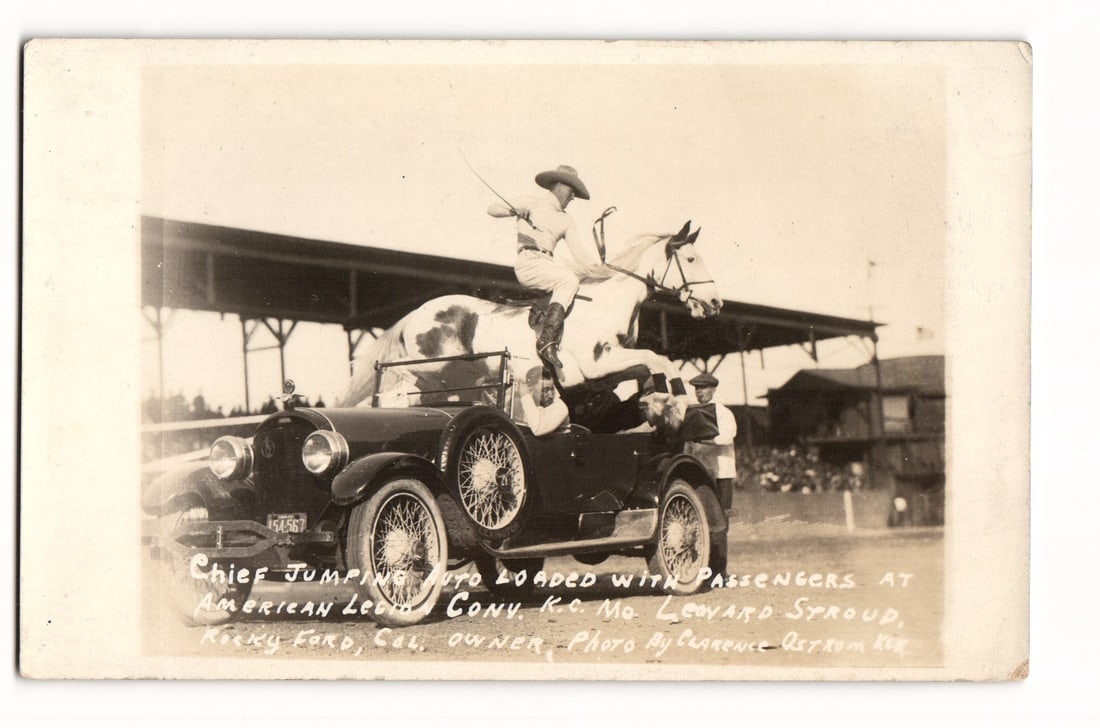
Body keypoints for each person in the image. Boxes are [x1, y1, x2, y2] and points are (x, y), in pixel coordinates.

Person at [487, 164, 603, 376]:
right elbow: (491, 209)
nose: (573, 197)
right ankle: (546, 339)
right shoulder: (530, 202)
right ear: (559, 186)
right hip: (529, 261)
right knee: (568, 281)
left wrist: (601, 270)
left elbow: (580, 256)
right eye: (571, 191)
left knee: (574, 283)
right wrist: (513, 210)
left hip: (547, 262)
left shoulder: (567, 220)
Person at [685, 373, 737, 509]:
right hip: (702, 470)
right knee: (703, 511)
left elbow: (726, 438)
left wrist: (700, 439)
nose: (699, 391)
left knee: (722, 512)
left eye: (703, 387)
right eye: (696, 388)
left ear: (713, 389)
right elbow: (690, 445)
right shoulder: (693, 414)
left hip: (721, 472)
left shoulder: (723, 412)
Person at [517, 366, 569, 436]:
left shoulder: (560, 407)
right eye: (545, 390)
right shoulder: (523, 405)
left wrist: (525, 396)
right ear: (530, 389)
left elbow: (537, 429)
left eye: (552, 389)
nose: (551, 395)